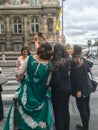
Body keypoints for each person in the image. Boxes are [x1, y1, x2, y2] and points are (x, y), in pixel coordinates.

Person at [3, 33, 54, 130]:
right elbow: (47, 82)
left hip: (27, 89)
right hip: (40, 92)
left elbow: (20, 73)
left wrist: (22, 79)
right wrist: (44, 39)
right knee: (39, 115)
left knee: (19, 109)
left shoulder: (30, 59)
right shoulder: (49, 65)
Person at [70, 44, 93, 130]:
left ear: (75, 50)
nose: (70, 49)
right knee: (86, 107)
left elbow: (78, 77)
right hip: (87, 87)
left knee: (82, 108)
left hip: (81, 89)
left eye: (72, 48)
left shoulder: (75, 61)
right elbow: (89, 66)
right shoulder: (82, 59)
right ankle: (85, 125)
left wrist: (78, 90)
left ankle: (85, 127)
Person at [50, 44, 72, 130]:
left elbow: (56, 80)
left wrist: (49, 84)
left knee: (58, 113)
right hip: (67, 88)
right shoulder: (67, 60)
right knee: (65, 111)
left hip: (58, 91)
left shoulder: (55, 62)